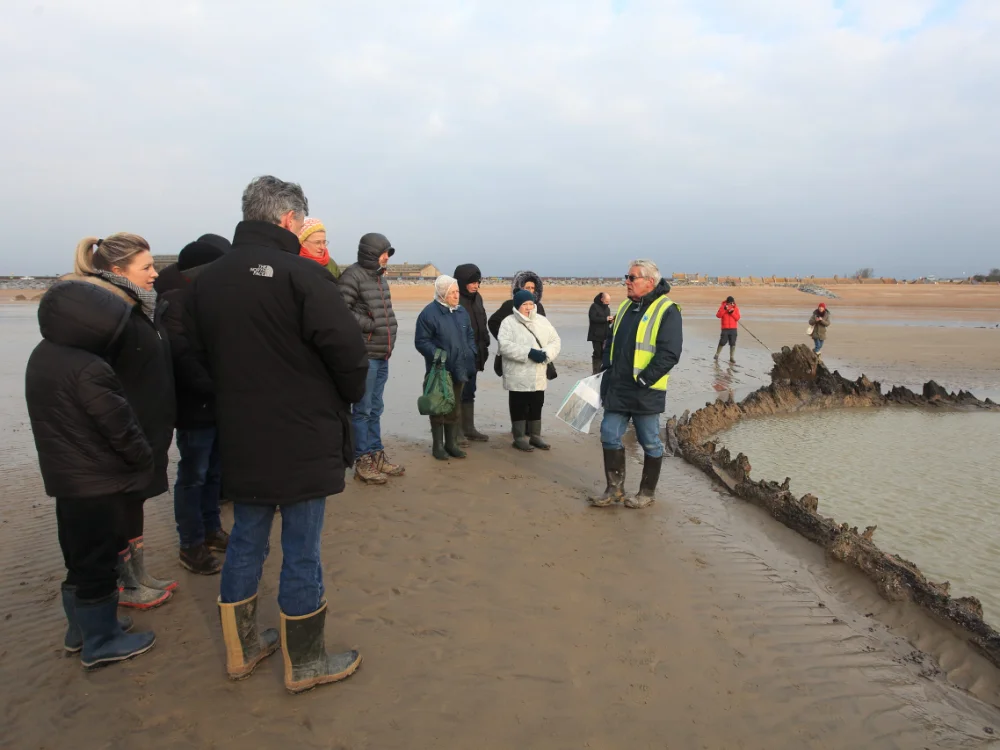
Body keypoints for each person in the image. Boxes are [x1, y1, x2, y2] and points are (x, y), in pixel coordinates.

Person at [187, 175, 369, 693]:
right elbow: (349, 355)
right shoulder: (302, 276)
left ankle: (242, 650)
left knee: (247, 538)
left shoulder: (208, 280)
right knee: (301, 546)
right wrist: (335, 399)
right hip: (301, 433)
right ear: (289, 219)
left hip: (242, 432)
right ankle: (305, 661)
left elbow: (197, 355)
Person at [25, 279, 157, 669]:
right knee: (100, 560)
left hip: (66, 480)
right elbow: (120, 427)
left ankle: (81, 630)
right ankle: (101, 639)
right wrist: (143, 458)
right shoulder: (89, 368)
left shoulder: (43, 355)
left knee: (78, 557)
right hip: (97, 481)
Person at [68, 234, 177, 608]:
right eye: (146, 267)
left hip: (148, 426)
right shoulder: (108, 315)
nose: (155, 273)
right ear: (117, 271)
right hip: (124, 430)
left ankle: (138, 574)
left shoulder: (143, 308)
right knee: (120, 506)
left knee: (135, 502)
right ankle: (126, 583)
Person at [155, 238, 230, 576]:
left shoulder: (214, 301)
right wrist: (220, 387)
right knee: (193, 475)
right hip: (194, 406)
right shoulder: (175, 304)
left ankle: (211, 529)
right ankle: (190, 544)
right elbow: (183, 358)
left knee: (214, 472)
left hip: (219, 404)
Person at [591, 259, 682, 510]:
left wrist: (644, 379)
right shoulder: (625, 308)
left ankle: (646, 492)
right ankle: (614, 489)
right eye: (627, 277)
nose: (627, 282)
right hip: (618, 387)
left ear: (649, 282)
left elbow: (670, 353)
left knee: (650, 441)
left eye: (632, 278)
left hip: (645, 390)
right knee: (609, 434)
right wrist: (606, 370)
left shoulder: (667, 310)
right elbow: (611, 342)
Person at [338, 232, 402, 484]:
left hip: (382, 353)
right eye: (384, 253)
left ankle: (376, 453)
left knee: (376, 407)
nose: (387, 258)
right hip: (365, 354)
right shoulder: (352, 276)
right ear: (370, 253)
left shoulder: (379, 278)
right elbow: (339, 309)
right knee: (363, 409)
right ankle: (362, 459)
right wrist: (369, 325)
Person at [414, 276, 478, 460]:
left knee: (454, 406)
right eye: (453, 292)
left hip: (461, 367)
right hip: (439, 370)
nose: (457, 295)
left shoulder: (461, 312)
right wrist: (439, 355)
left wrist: (471, 352)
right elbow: (421, 341)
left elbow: (469, 335)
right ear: (442, 293)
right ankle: (438, 446)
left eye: (457, 291)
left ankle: (452, 444)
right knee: (438, 406)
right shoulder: (429, 313)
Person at [498, 290, 561, 451]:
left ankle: (535, 436)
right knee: (518, 404)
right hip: (517, 373)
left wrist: (546, 354)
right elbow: (504, 346)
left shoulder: (542, 321)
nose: (528, 307)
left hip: (538, 374)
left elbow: (555, 341)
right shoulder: (508, 322)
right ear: (517, 306)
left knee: (537, 404)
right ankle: (519, 437)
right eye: (524, 304)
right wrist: (528, 352)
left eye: (530, 304)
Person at [453, 263, 490, 442]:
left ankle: (469, 428)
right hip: (459, 355)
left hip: (476, 352)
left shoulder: (478, 298)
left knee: (470, 391)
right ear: (462, 282)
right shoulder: (454, 299)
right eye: (472, 282)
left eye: (478, 282)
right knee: (457, 391)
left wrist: (486, 342)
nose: (476, 286)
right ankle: (456, 431)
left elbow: (482, 320)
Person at [587, 292, 613, 374]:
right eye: (606, 301)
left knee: (605, 353)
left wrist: (610, 321)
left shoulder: (607, 308)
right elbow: (593, 318)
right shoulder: (594, 306)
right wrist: (606, 319)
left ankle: (602, 370)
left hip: (605, 334)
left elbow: (606, 322)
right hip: (596, 334)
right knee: (597, 353)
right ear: (602, 299)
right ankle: (595, 371)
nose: (608, 303)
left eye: (609, 301)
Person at [715, 296, 740, 363]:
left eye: (732, 303)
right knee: (722, 341)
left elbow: (737, 318)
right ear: (727, 302)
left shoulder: (735, 308)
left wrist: (732, 313)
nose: (731, 304)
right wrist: (724, 309)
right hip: (725, 328)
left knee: (732, 343)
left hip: (733, 328)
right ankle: (717, 354)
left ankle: (731, 357)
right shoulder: (722, 307)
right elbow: (718, 315)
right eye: (730, 303)